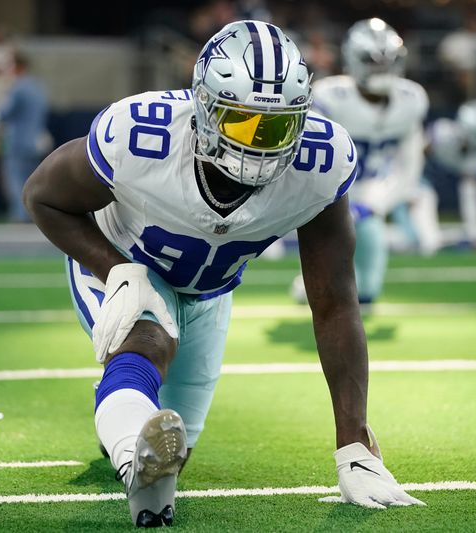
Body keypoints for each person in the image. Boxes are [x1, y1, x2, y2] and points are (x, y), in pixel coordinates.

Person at [23, 20, 424, 528]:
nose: (260, 145)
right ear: (207, 110)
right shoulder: (143, 136)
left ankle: (122, 419)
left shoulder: (319, 162)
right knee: (149, 337)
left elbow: (335, 302)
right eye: (241, 123)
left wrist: (355, 444)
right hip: (122, 256)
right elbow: (42, 195)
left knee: (174, 439)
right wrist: (117, 268)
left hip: (209, 290)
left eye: (276, 127)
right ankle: (139, 473)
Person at [292, 18, 430, 305]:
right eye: (372, 61)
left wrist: (376, 203)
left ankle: (316, 283)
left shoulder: (411, 99)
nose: (381, 69)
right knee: (327, 286)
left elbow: (410, 168)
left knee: (366, 291)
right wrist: (328, 199)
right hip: (330, 192)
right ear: (354, 60)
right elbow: (310, 159)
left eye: (387, 61)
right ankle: (309, 282)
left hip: (372, 191)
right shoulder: (330, 97)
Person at [427, 99, 476, 248]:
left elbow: (470, 187)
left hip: (447, 174)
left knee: (470, 188)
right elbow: (413, 159)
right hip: (424, 177)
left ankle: (473, 237)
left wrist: (475, 236)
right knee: (427, 240)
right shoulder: (441, 134)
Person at [0, 51, 49, 221]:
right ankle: (33, 218)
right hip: (36, 142)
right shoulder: (37, 87)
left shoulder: (18, 88)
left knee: (16, 185)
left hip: (18, 144)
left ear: (16, 66)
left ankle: (21, 221)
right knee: (32, 184)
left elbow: (3, 113)